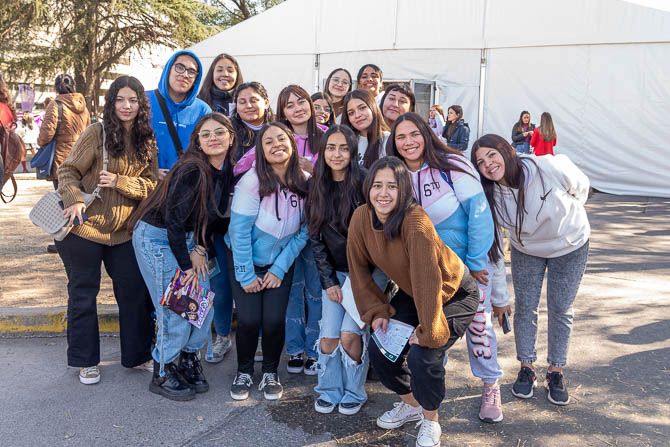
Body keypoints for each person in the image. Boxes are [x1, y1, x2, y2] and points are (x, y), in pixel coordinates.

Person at [347, 156, 480, 447]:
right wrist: (376, 309)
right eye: (377, 185)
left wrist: (429, 332)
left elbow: (428, 278)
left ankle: (430, 420)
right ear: (368, 188)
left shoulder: (415, 221)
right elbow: (357, 268)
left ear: (403, 190)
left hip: (454, 292)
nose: (383, 193)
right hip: (414, 291)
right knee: (381, 349)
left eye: (392, 186)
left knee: (424, 356)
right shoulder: (360, 218)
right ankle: (411, 405)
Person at [388, 113, 506, 423]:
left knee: (479, 328)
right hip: (426, 274)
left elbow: (479, 214)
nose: (408, 142)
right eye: (401, 137)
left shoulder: (453, 165)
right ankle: (420, 400)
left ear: (427, 133)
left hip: (467, 269)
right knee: (430, 332)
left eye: (414, 134)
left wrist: (476, 262)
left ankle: (490, 383)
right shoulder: (396, 175)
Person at [472, 134, 590, 406]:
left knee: (561, 307)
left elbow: (580, 187)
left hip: (570, 244)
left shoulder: (545, 167)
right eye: (480, 161)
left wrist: (568, 219)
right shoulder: (490, 195)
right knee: (525, 307)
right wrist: (498, 297)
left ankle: (556, 371)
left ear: (507, 150)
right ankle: (527, 367)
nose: (488, 164)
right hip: (527, 249)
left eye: (492, 154)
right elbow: (496, 250)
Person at [55, 76, 157, 386]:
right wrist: (73, 200)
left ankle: (137, 356)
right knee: (83, 294)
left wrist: (121, 182)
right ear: (111, 102)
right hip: (83, 229)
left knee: (134, 293)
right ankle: (86, 361)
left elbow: (152, 186)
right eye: (120, 100)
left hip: (123, 232)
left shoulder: (146, 139)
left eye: (133, 100)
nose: (126, 106)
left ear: (141, 105)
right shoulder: (95, 132)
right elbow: (68, 170)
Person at [130, 112, 235, 401]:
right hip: (159, 238)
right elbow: (175, 221)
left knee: (203, 306)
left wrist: (199, 247)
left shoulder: (225, 171)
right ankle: (163, 370)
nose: (213, 138)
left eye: (219, 132)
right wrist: (187, 264)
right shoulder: (192, 169)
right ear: (198, 141)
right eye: (206, 134)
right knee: (176, 309)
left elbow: (210, 220)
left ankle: (188, 359)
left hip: (190, 241)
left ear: (231, 136)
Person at [226, 122, 309, 401]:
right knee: (249, 320)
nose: (276, 145)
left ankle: (270, 372)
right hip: (245, 258)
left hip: (279, 264)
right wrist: (246, 275)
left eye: (281, 139)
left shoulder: (304, 183)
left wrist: (279, 268)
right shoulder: (252, 181)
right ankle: (245, 370)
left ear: (293, 143)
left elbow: (304, 232)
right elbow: (238, 232)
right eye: (268, 142)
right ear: (261, 151)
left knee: (274, 320)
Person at [307, 124, 385, 415]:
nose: (336, 154)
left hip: (365, 272)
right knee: (328, 336)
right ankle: (328, 389)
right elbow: (315, 239)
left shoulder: (366, 183)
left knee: (349, 335)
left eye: (343, 147)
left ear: (353, 151)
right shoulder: (316, 185)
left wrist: (359, 279)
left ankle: (354, 390)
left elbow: (378, 235)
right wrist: (329, 281)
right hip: (334, 274)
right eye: (330, 147)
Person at [38, 74, 91, 254]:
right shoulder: (84, 107)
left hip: (62, 159)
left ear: (56, 87)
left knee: (61, 200)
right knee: (78, 197)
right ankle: (83, 238)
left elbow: (46, 133)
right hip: (83, 158)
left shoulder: (56, 105)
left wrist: (41, 142)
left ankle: (64, 241)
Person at [146, 50, 211, 175]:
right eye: (180, 67)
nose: (185, 74)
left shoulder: (202, 110)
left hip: (184, 185)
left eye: (191, 71)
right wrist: (151, 171)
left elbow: (206, 152)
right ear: (169, 69)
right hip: (146, 184)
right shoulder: (144, 100)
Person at [341, 89, 390, 168]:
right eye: (351, 113)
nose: (357, 115)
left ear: (373, 107)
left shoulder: (388, 140)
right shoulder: (346, 142)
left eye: (362, 108)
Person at [230, 81, 273, 163]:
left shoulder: (279, 128)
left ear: (266, 103)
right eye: (242, 102)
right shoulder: (228, 130)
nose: (248, 106)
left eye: (253, 101)